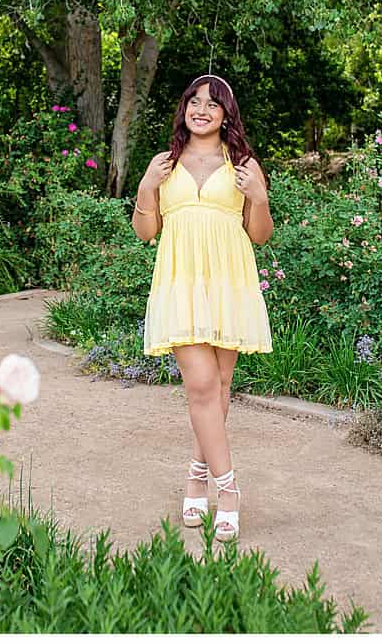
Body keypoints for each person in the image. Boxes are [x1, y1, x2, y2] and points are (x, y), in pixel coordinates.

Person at [133, 74, 274, 541]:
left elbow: (259, 234)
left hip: (228, 280)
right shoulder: (163, 164)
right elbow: (146, 233)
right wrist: (145, 188)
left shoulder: (243, 164)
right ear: (184, 109)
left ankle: (196, 476)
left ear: (225, 115)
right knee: (201, 386)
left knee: (220, 386)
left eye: (212, 105)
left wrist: (259, 197)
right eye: (194, 101)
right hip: (179, 281)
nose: (201, 110)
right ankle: (228, 489)